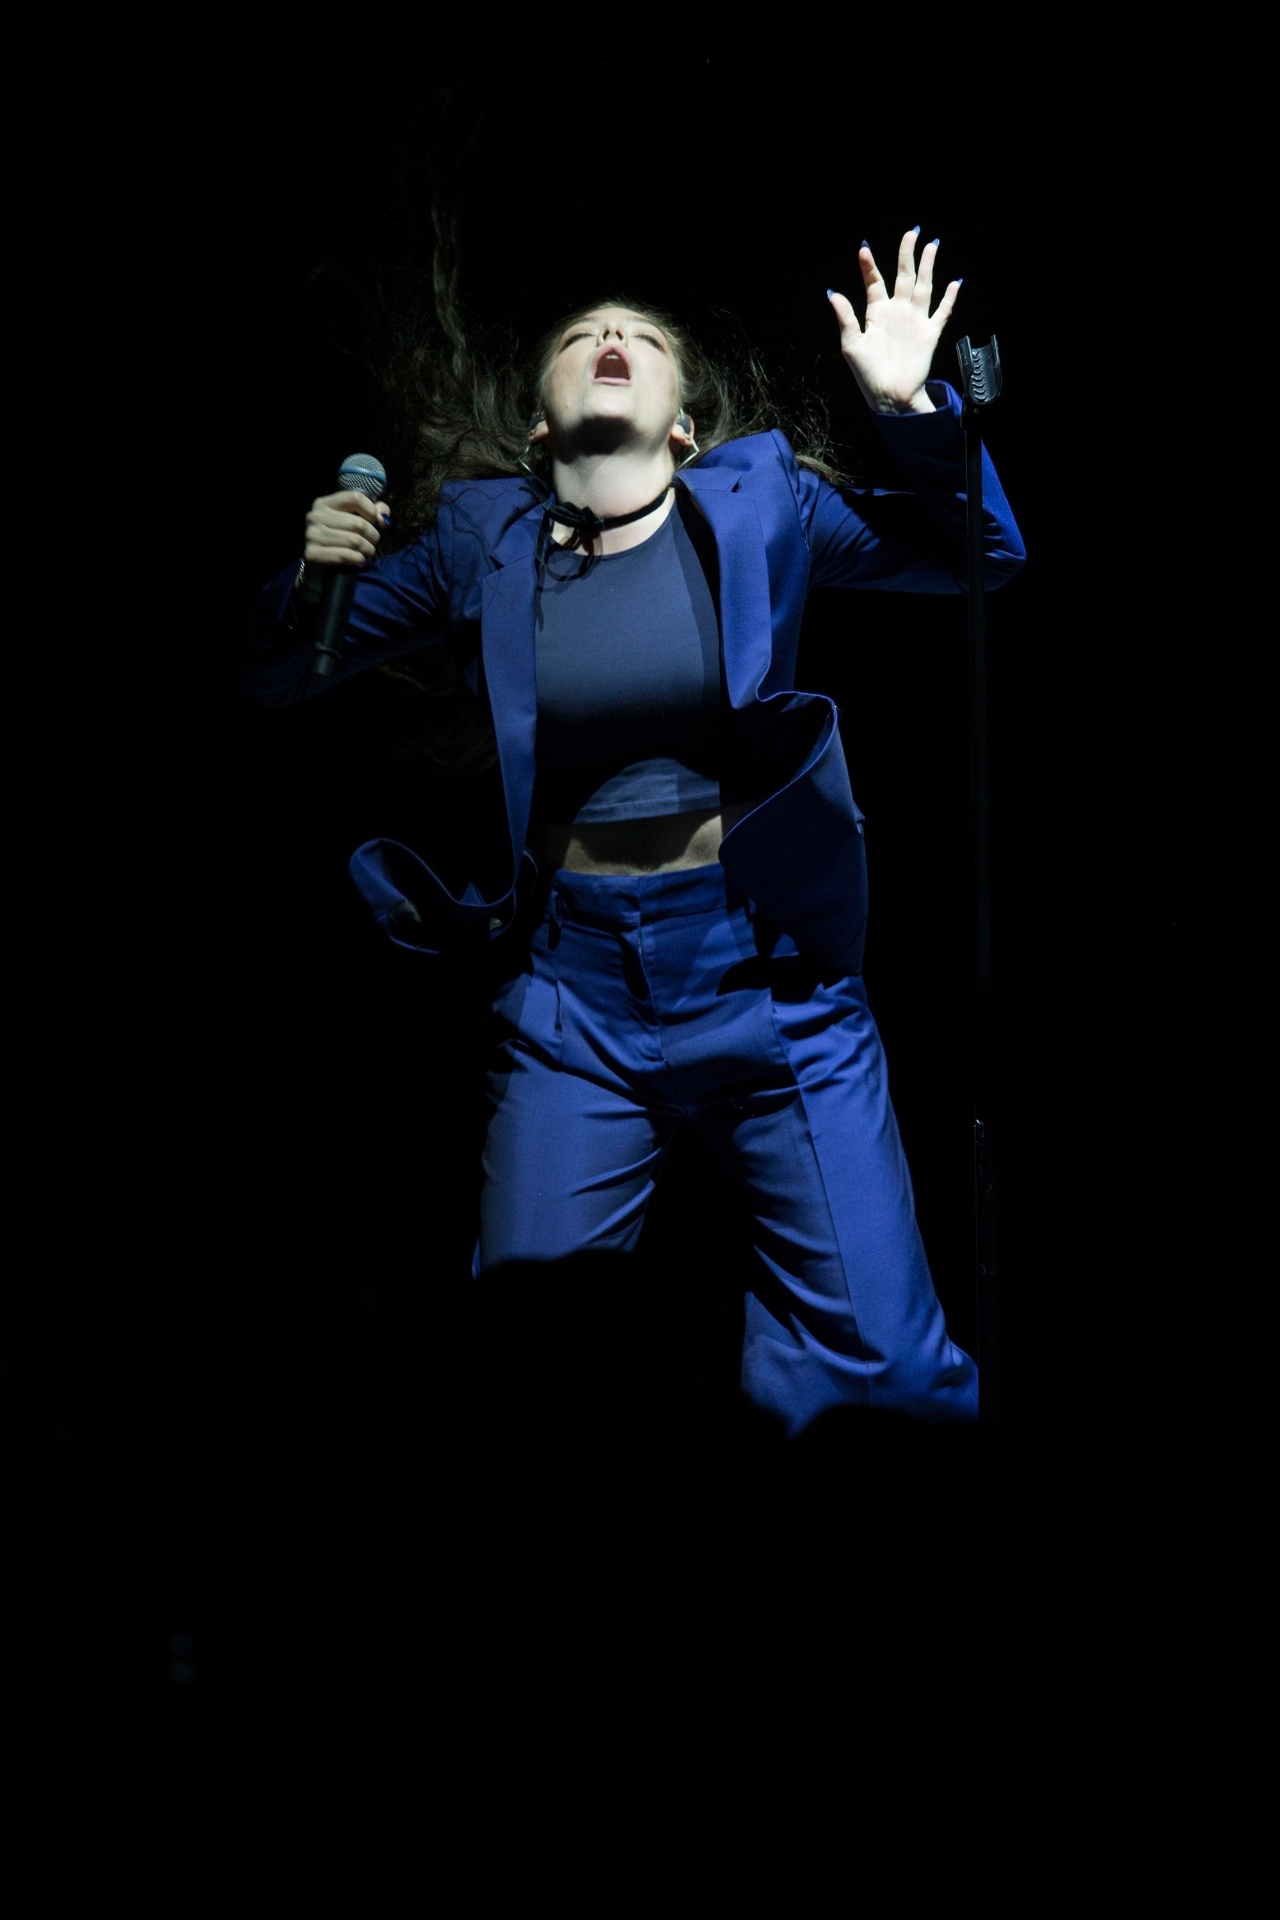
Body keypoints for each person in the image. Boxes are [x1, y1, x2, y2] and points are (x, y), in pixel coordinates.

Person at [244, 230, 1025, 1435]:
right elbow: (274, 675)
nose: (610, 338)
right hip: (572, 998)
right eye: (579, 334)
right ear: (540, 428)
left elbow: (984, 555)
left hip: (768, 976)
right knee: (519, 1375)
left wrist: (906, 406)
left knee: (886, 1375)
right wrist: (304, 589)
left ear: (683, 429)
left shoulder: (762, 499)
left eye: (642, 337)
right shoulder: (475, 541)